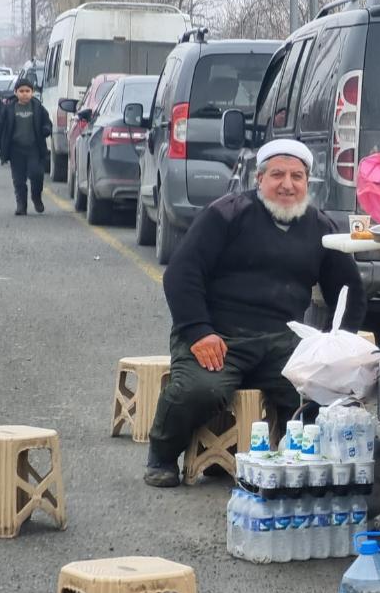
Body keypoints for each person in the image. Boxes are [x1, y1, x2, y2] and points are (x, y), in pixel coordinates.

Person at [145, 138, 366, 487]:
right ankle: (161, 452)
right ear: (259, 178)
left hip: (281, 340)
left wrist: (340, 344)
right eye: (277, 174)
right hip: (218, 334)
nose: (287, 185)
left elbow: (348, 289)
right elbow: (181, 273)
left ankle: (292, 460)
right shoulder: (227, 213)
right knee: (199, 390)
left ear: (308, 182)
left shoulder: (320, 227)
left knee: (321, 394)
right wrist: (198, 331)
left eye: (297, 176)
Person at [0, 78, 52, 215]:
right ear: (15, 92)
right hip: (16, 149)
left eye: (28, 91)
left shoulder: (38, 107)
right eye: (21, 91)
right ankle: (21, 205)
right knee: (19, 180)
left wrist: (46, 129)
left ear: (32, 92)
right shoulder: (9, 109)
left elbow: (47, 123)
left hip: (34, 148)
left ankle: (36, 197)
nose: (24, 94)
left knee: (36, 174)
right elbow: (0, 128)